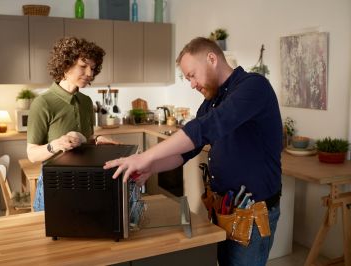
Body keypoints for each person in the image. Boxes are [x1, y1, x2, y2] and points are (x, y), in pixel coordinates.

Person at [104, 37, 282, 266]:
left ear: (211, 58)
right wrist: (151, 167)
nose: (192, 84)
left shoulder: (254, 86)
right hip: (223, 211)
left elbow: (204, 128)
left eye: (192, 75)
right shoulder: (212, 102)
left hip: (253, 214)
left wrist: (143, 157)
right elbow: (186, 152)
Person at [27, 36, 117, 212]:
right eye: (83, 67)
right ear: (65, 66)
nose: (90, 73)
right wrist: (56, 145)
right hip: (55, 183)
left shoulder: (86, 101)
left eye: (92, 68)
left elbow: (86, 140)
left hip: (86, 181)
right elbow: (32, 154)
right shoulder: (43, 103)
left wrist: (97, 140)